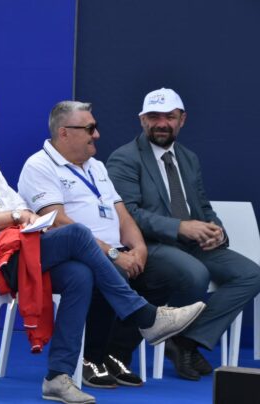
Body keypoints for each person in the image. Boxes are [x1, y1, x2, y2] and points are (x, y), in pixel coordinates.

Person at [0, 80, 205, 403]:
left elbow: (20, 205)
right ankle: (146, 317)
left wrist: (21, 215)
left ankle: (58, 376)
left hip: (14, 248)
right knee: (77, 233)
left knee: (79, 275)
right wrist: (16, 216)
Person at [106, 88, 260, 381]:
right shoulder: (124, 158)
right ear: (142, 120)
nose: (162, 123)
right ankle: (176, 339)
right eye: (154, 117)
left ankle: (185, 340)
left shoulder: (188, 158)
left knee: (251, 275)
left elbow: (202, 206)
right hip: (151, 244)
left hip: (193, 244)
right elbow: (128, 213)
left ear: (182, 120)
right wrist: (179, 227)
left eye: (170, 117)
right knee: (194, 274)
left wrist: (216, 232)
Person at [18, 100, 174, 388]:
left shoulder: (97, 167)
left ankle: (114, 354)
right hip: (76, 256)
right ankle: (90, 358)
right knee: (107, 271)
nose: (97, 134)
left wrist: (139, 248)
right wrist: (114, 255)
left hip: (117, 251)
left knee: (165, 276)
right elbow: (58, 222)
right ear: (64, 132)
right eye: (90, 128)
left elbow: (122, 214)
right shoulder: (39, 166)